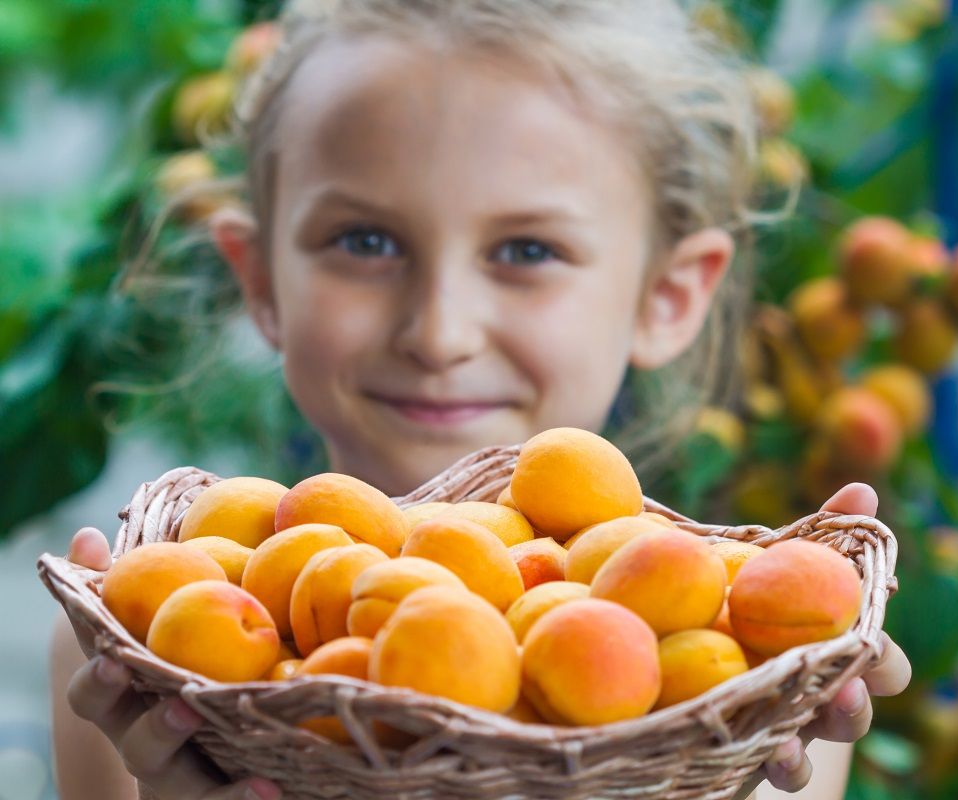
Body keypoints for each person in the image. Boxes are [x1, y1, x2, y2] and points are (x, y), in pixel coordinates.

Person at [49, 1, 911, 798]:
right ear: (259, 279)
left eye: (527, 250)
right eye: (366, 239)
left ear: (669, 297)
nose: (440, 331)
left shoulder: (759, 684)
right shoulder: (145, 666)